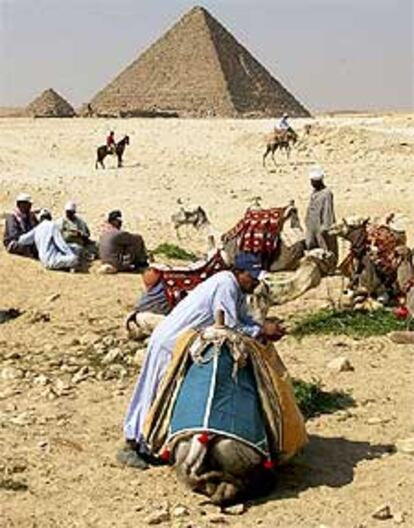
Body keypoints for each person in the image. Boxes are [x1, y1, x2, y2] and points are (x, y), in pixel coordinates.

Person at [118, 252, 283, 469]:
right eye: (251, 276)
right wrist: (261, 330)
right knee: (154, 393)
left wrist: (262, 327)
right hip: (170, 343)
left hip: (183, 344)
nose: (255, 282)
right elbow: (230, 325)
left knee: (169, 395)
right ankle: (132, 444)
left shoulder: (237, 290)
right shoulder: (225, 285)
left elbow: (243, 319)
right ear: (238, 272)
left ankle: (152, 445)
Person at [13, 209, 80, 271]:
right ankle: (67, 266)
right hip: (52, 260)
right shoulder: (52, 225)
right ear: (50, 218)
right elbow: (60, 243)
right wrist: (70, 254)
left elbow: (22, 240)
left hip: (43, 260)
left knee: (74, 247)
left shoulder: (37, 228)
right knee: (74, 257)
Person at [305, 167, 338, 262]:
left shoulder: (327, 193)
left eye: (313, 182)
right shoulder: (314, 192)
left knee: (325, 247)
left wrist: (325, 227)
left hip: (321, 225)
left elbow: (328, 211)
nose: (312, 184)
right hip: (312, 224)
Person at [3, 193, 38, 258]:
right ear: (20, 204)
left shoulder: (31, 216)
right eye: (28, 204)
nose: (30, 207)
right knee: (27, 248)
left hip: (28, 240)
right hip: (14, 242)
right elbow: (14, 235)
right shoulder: (12, 217)